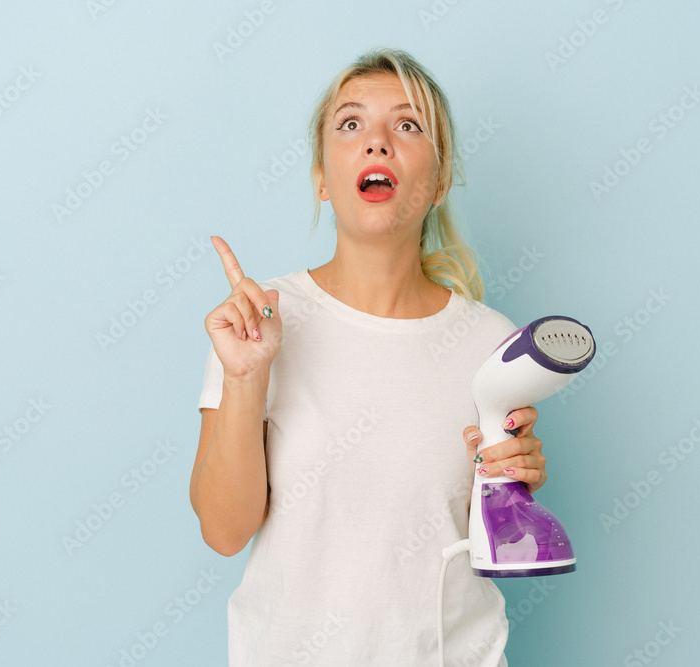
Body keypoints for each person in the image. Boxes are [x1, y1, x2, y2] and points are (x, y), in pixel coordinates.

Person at [189, 47, 548, 666]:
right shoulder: (257, 325)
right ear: (322, 178)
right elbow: (224, 532)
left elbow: (485, 544)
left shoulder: (494, 345)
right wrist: (246, 381)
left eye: (407, 126)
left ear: (438, 181)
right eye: (351, 124)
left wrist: (510, 486)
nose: (376, 142)